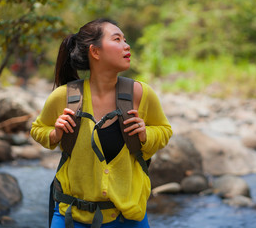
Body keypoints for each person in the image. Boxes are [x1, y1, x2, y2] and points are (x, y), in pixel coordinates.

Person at [30, 18, 172, 228]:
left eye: (125, 39)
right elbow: (37, 129)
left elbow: (164, 130)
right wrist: (55, 134)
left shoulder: (141, 93)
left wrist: (146, 134)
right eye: (117, 39)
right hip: (72, 217)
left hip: (128, 216)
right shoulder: (66, 96)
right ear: (95, 52)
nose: (126, 45)